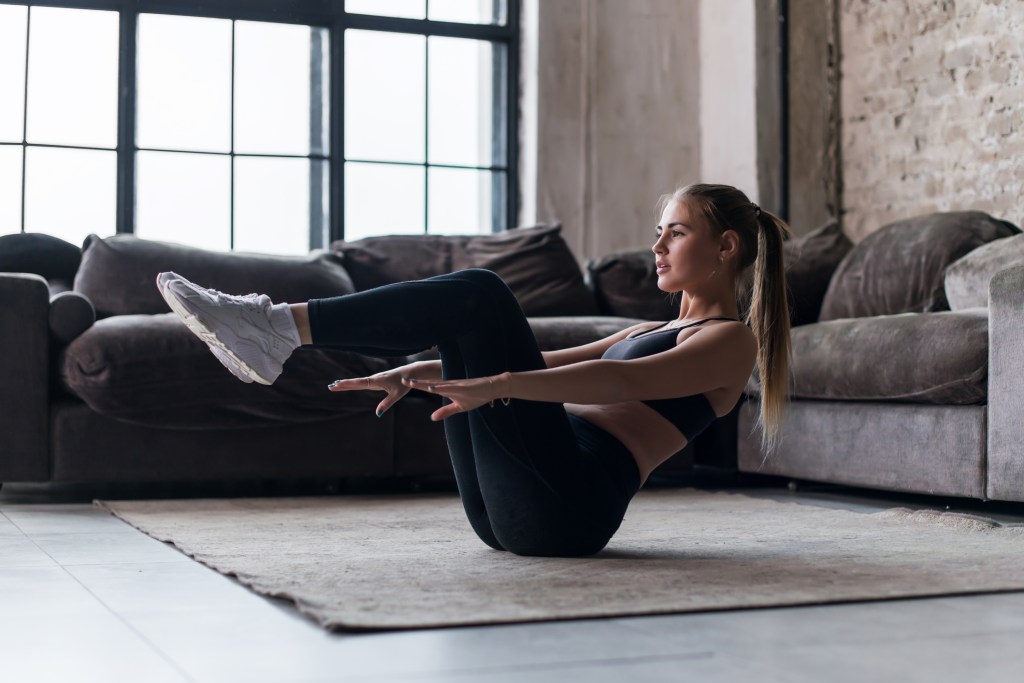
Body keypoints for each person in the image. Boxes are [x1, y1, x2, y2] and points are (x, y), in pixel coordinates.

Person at [157, 183, 791, 557]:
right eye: (659, 232)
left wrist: (501, 386)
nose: (656, 247)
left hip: (569, 508)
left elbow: (623, 383)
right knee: (468, 316)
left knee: (482, 292)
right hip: (512, 512)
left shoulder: (731, 341)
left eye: (674, 234)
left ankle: (275, 327)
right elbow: (533, 362)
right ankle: (277, 331)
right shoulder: (650, 329)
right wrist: (419, 371)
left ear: (726, 247)